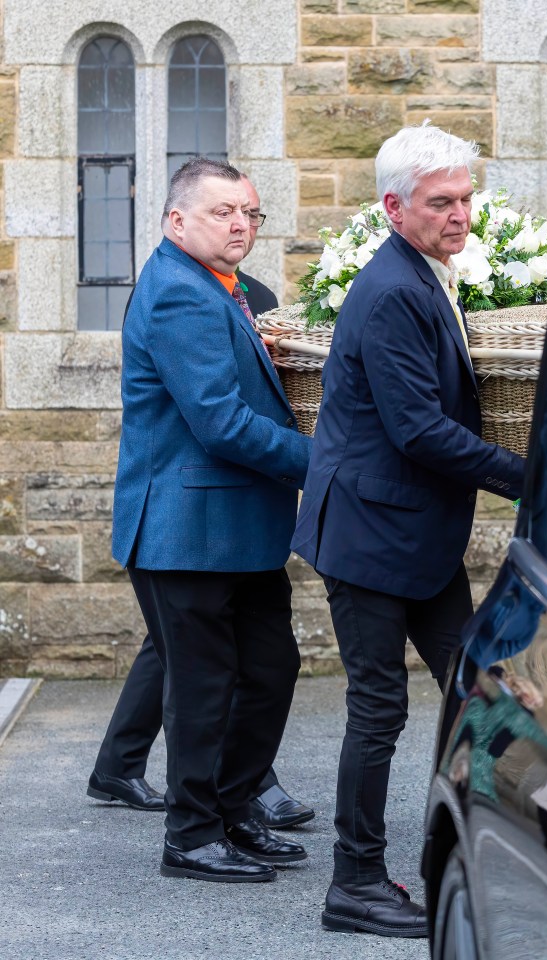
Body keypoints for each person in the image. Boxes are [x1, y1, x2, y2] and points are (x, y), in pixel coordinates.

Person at [290, 123, 524, 937]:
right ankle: (352, 884)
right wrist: (529, 478)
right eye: (441, 203)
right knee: (380, 710)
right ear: (394, 209)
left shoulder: (426, 273)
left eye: (466, 199)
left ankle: (489, 848)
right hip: (368, 537)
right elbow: (418, 430)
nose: (461, 215)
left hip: (411, 535)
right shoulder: (391, 291)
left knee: (480, 685)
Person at [87, 175, 315, 832]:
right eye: (223, 211)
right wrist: (324, 462)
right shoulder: (182, 295)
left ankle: (236, 810)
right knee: (204, 691)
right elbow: (221, 423)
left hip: (234, 529)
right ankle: (193, 835)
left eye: (250, 212)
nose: (241, 223)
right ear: (176, 221)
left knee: (269, 670)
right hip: (191, 530)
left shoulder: (224, 291)